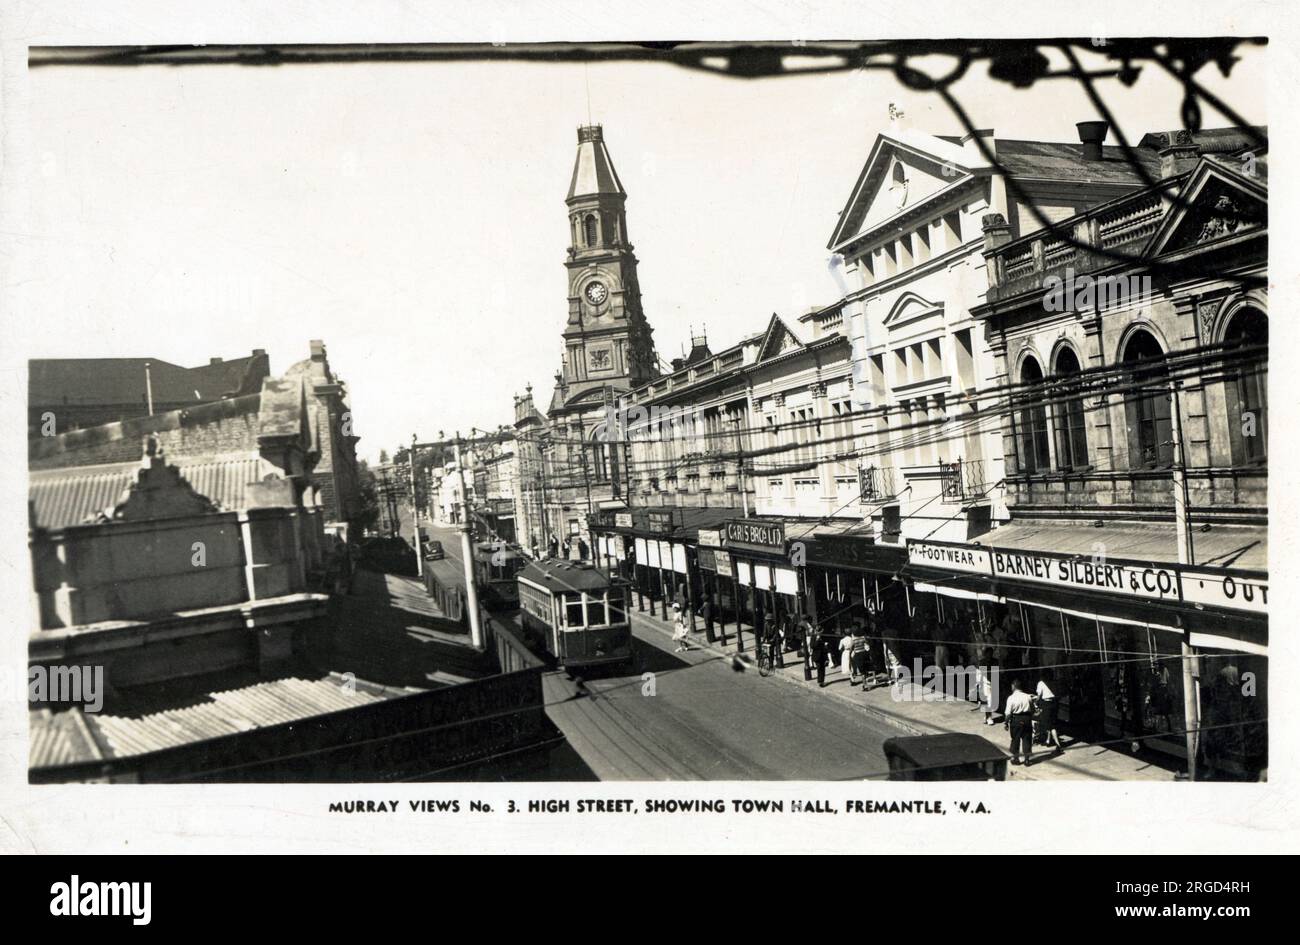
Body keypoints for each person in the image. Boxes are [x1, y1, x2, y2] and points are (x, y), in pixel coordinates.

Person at [1004, 678, 1035, 765]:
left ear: (1013, 686)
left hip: (1016, 720)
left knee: (1015, 739)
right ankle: (1027, 760)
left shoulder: (1011, 698)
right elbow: (1032, 710)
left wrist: (1006, 723)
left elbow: (1008, 713)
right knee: (1027, 739)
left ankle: (1016, 759)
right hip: (1027, 719)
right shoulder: (1028, 696)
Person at [1034, 675, 1064, 754]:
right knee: (1051, 723)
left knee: (1050, 725)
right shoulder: (1054, 682)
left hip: (1046, 704)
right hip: (1054, 703)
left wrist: (1036, 702)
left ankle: (1058, 745)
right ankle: (1048, 740)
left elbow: (1039, 695)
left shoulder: (1041, 683)